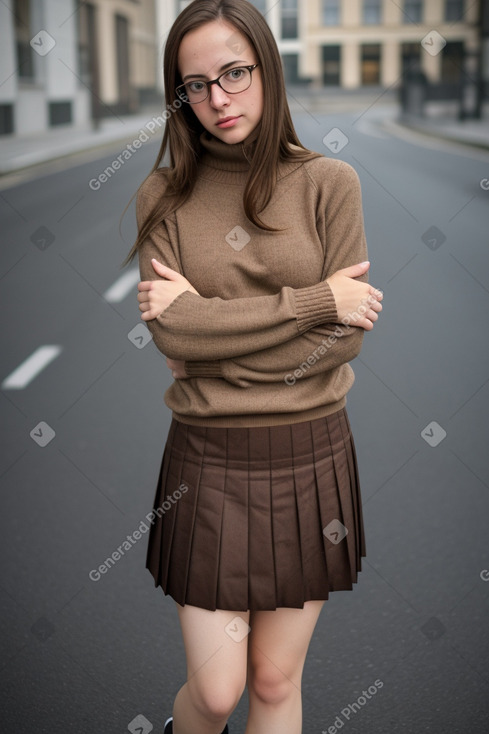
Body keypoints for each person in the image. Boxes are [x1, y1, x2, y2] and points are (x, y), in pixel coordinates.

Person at [122, 2, 383, 733]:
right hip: (206, 462)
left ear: (267, 67)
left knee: (272, 681)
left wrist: (214, 338)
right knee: (213, 693)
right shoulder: (162, 197)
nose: (218, 99)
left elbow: (346, 341)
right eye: (195, 84)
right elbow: (173, 341)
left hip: (309, 454)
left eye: (234, 73)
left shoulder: (330, 184)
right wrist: (313, 303)